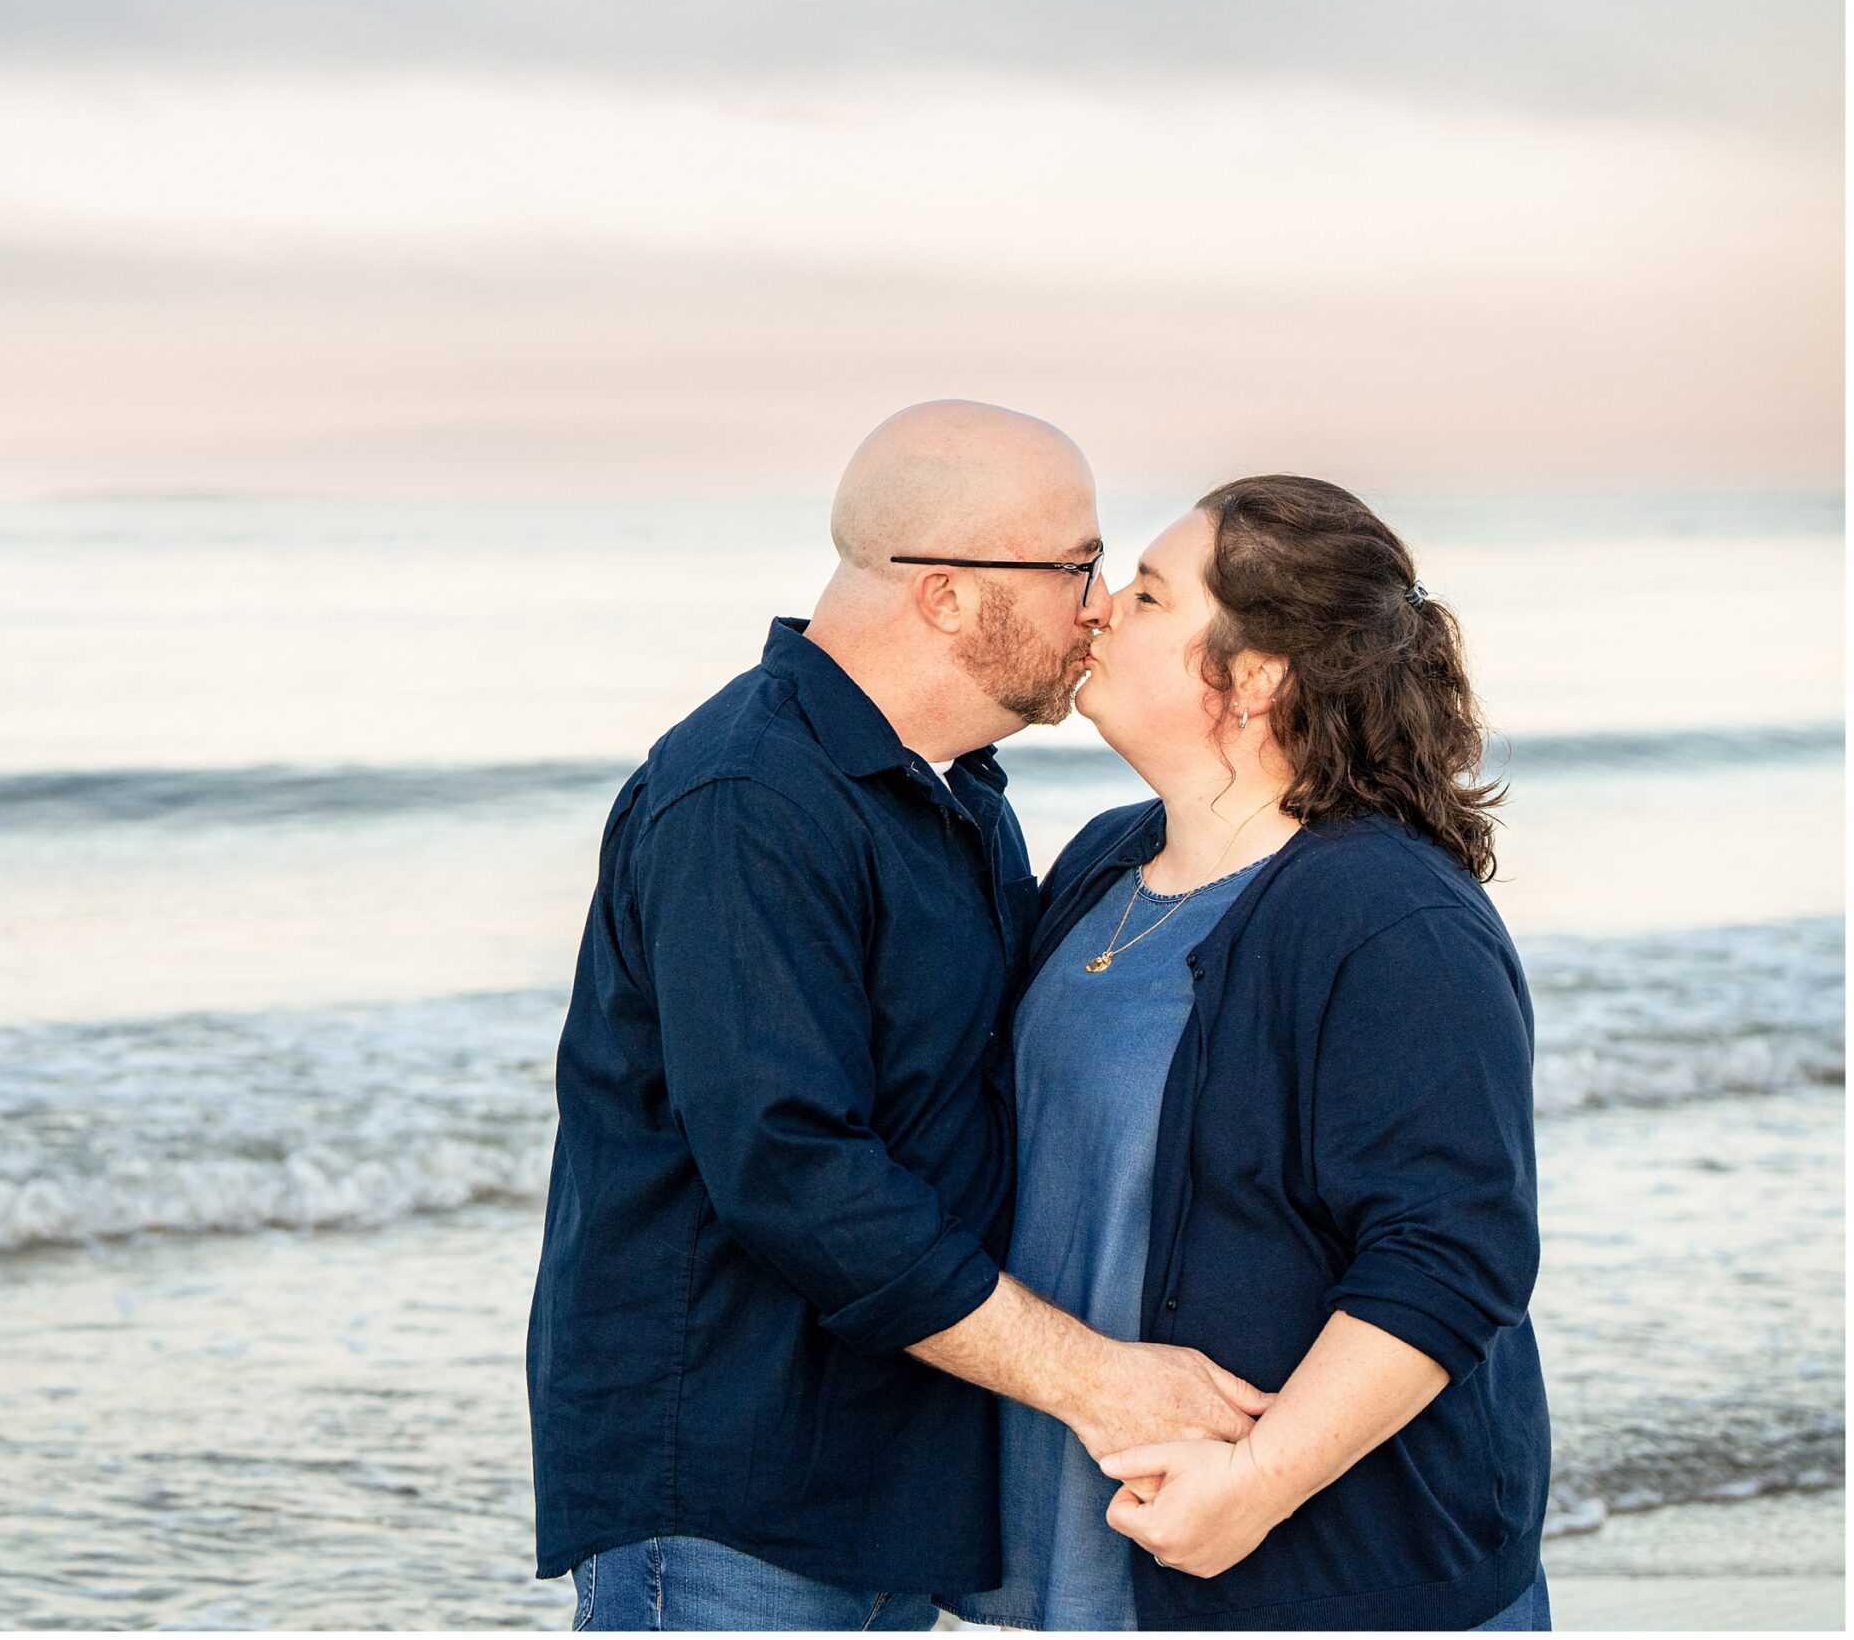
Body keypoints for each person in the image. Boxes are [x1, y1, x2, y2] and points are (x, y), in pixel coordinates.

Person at [525, 401, 1272, 1632]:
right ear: (944, 594)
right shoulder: (744, 799)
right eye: (1077, 567)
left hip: (888, 1477)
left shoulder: (957, 797)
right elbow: (793, 1168)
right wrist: (1098, 1384)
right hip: (731, 1487)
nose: (1097, 605)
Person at [948, 474, 1551, 1631]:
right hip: (1083, 1556)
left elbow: (1451, 1249)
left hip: (1326, 1580)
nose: (1097, 609)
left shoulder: (1385, 914)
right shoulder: (1100, 864)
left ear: (1258, 673)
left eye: (1150, 597)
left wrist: (1257, 1485)